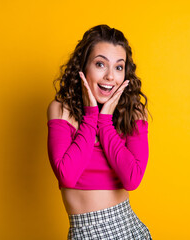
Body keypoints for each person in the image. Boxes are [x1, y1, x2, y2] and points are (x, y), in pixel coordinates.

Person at [46, 24, 152, 239]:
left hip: (127, 230)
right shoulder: (60, 110)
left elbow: (132, 179)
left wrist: (104, 122)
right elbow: (67, 176)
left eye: (119, 67)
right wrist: (91, 116)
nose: (110, 76)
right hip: (84, 231)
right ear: (83, 66)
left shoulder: (133, 112)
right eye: (100, 64)